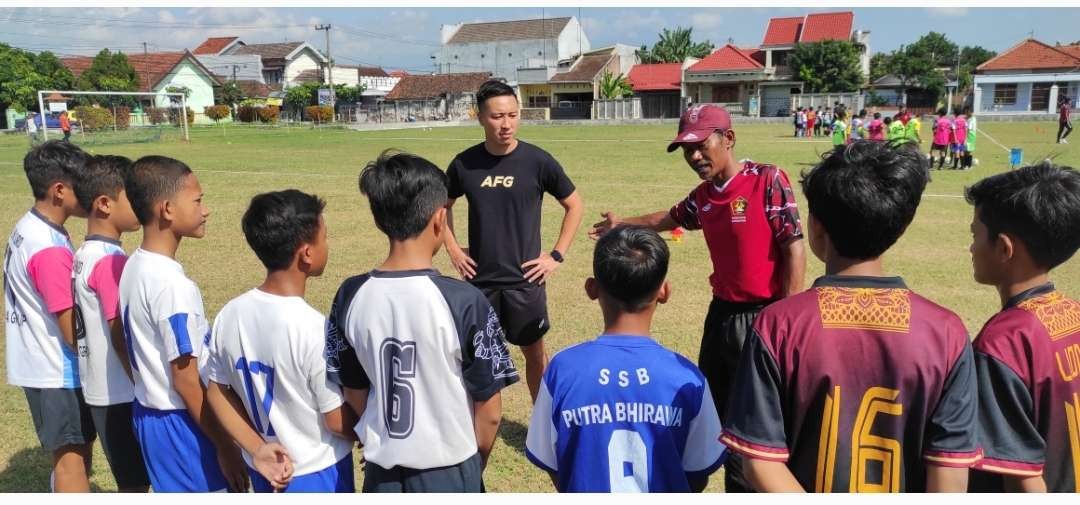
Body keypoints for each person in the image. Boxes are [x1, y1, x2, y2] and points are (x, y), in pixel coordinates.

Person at [721, 140, 980, 492]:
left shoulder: (778, 324)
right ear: (900, 228)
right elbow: (949, 476)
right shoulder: (945, 331)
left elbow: (760, 463)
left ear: (816, 227)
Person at [589, 104, 805, 492]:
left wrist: (786, 318)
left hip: (763, 317)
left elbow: (793, 247)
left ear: (729, 139)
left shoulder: (767, 180)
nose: (694, 157)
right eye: (687, 150)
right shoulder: (704, 197)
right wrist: (621, 224)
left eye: (701, 146)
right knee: (709, 416)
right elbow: (668, 219)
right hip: (721, 317)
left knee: (752, 429)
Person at [326, 150, 520, 492]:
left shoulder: (350, 295)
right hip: (450, 468)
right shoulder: (462, 300)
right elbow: (488, 410)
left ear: (377, 218)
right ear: (439, 219)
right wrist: (474, 466)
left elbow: (353, 389)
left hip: (381, 471)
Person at [525, 225, 726, 492]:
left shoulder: (562, 371)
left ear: (592, 289)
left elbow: (555, 464)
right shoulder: (688, 378)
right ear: (664, 292)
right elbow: (697, 473)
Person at [205, 190, 356, 493]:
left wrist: (256, 447)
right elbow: (336, 422)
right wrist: (372, 431)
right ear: (307, 253)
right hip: (318, 474)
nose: (327, 244)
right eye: (324, 237)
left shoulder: (229, 315)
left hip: (264, 468)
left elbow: (216, 392)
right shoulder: (313, 329)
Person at [444, 80, 584, 403]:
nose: (506, 124)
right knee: (477, 360)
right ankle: (477, 424)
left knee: (535, 355)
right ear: (480, 117)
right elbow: (442, 207)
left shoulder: (538, 161)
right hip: (480, 283)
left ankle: (544, 427)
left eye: (512, 115)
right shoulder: (464, 164)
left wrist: (555, 256)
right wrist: (453, 249)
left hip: (525, 282)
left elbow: (574, 205)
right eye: (496, 116)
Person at [118, 155, 247, 492]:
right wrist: (225, 445)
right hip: (182, 422)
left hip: (149, 413)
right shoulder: (172, 286)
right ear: (167, 209)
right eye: (198, 201)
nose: (205, 210)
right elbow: (186, 378)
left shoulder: (135, 265)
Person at [964, 163, 1080, 492]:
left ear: (1004, 248)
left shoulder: (1004, 343)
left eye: (975, 235)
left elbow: (1022, 474)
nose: (971, 247)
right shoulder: (1075, 313)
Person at [4, 141, 94, 492]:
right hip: (58, 370)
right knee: (72, 462)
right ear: (59, 191)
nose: (90, 193)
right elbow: (68, 323)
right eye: (82, 185)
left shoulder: (29, 227)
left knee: (72, 454)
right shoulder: (49, 249)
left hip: (38, 363)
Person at [70, 155, 150, 492]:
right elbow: (119, 332)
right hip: (121, 393)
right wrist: (142, 381)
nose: (141, 204)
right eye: (132, 196)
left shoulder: (83, 253)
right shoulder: (110, 261)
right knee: (136, 483)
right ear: (104, 204)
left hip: (99, 389)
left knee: (128, 480)